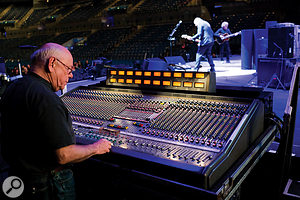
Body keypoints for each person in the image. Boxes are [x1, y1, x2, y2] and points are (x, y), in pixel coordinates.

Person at [0, 43, 112, 200]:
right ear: (52, 64)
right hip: (46, 185)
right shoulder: (46, 98)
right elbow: (63, 155)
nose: (71, 75)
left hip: (17, 178)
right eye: (68, 69)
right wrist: (96, 147)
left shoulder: (13, 87)